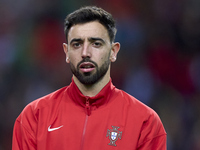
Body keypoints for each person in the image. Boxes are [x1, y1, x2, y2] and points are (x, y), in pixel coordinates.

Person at [12, 6, 167, 150]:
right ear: (66, 52)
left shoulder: (145, 122)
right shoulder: (34, 117)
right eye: (77, 44)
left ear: (113, 51)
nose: (85, 53)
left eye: (96, 44)